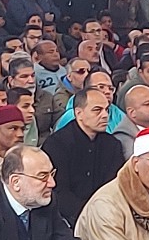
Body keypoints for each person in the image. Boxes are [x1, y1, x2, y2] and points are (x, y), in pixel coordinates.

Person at [41, 89, 125, 226]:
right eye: (97, 110)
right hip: (67, 219)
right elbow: (58, 191)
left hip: (108, 215)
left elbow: (115, 185)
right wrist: (89, 214)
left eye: (107, 110)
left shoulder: (113, 145)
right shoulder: (57, 144)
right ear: (79, 113)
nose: (105, 115)